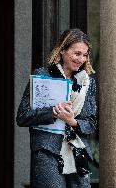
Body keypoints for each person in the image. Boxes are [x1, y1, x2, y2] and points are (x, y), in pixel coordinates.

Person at [16, 28, 98, 188]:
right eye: (77, 53)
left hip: (77, 152)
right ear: (62, 51)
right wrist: (53, 112)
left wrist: (72, 121)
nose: (81, 59)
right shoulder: (42, 76)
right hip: (47, 151)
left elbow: (91, 123)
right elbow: (23, 116)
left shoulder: (87, 83)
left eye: (85, 54)